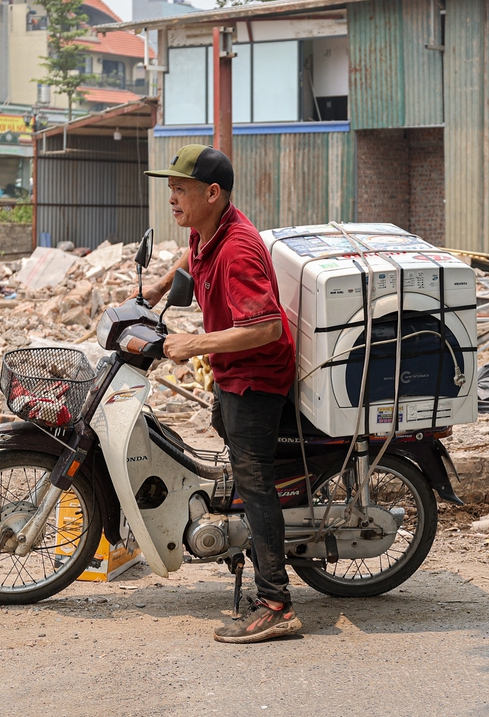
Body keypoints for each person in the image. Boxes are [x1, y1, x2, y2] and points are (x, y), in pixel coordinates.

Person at [141, 144, 301, 644]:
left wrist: (194, 343)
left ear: (212, 193)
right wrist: (157, 290)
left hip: (258, 377)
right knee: (226, 437)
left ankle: (276, 601)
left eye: (180, 188)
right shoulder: (208, 229)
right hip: (232, 371)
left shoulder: (238, 249)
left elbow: (268, 327)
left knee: (255, 479)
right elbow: (192, 253)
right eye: (170, 187)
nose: (172, 196)